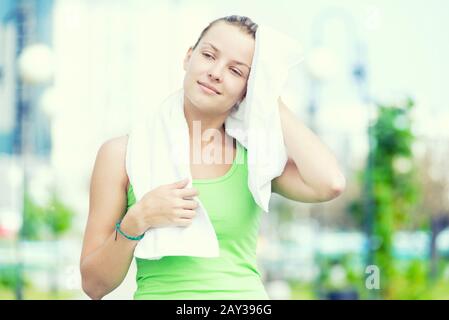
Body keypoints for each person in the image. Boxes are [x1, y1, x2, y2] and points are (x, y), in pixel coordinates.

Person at [80, 15, 346, 300]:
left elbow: (329, 183)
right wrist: (138, 219)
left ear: (249, 88)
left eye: (236, 71)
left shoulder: (256, 154)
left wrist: (269, 97)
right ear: (188, 57)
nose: (216, 72)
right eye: (209, 55)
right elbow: (94, 285)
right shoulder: (121, 154)